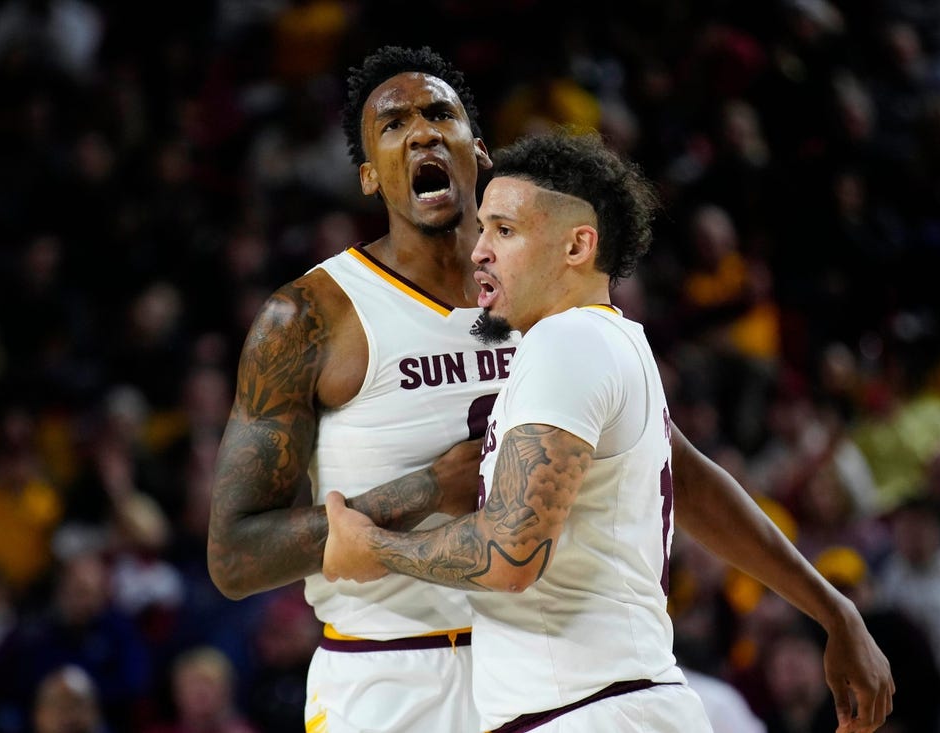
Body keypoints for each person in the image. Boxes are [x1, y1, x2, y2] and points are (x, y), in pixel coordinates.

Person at [322, 129, 894, 732]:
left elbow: (511, 552)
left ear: (577, 246)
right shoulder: (615, 343)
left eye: (505, 231)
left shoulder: (565, 343)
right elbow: (696, 487)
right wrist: (833, 611)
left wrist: (375, 549)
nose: (479, 251)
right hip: (616, 704)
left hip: (588, 710)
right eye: (483, 228)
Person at [207, 45, 517, 732]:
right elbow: (234, 557)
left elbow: (676, 460)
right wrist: (427, 490)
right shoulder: (310, 316)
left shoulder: (551, 295)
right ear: (370, 177)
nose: (423, 131)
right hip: (390, 676)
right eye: (393, 124)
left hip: (547, 667)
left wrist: (819, 604)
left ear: (480, 148)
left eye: (441, 113)